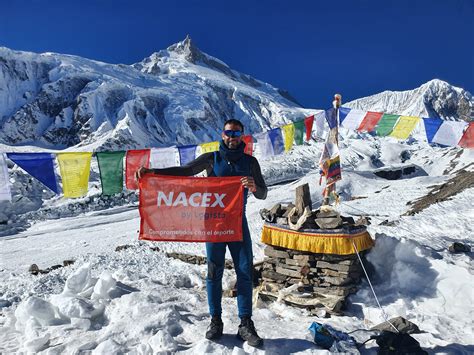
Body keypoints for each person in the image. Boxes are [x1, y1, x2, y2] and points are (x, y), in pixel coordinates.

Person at [136, 119, 267, 347]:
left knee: (245, 271)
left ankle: (245, 323)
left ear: (242, 136)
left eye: (236, 133)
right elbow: (186, 171)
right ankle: (215, 321)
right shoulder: (212, 158)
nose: (232, 137)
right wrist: (153, 172)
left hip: (237, 224)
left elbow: (263, 193)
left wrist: (254, 187)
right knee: (213, 272)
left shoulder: (250, 162)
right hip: (213, 223)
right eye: (228, 132)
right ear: (222, 134)